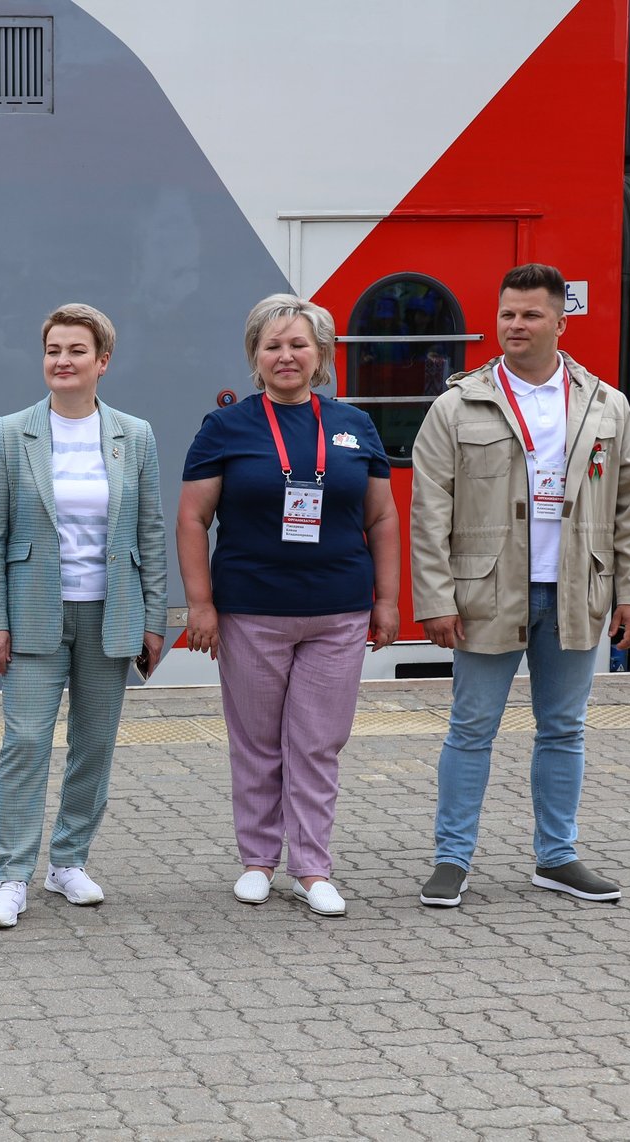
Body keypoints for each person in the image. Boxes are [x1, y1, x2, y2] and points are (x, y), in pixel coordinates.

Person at [410, 263, 630, 908]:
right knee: (471, 726)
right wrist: (435, 598)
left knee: (564, 729)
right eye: (507, 315)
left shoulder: (606, 404)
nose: (515, 326)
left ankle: (557, 857)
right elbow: (430, 507)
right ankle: (451, 860)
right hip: (487, 591)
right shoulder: (457, 404)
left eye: (530, 315)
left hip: (578, 588)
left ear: (559, 319)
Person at [176, 294, 399, 918]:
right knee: (256, 741)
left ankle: (312, 867)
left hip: (338, 611)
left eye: (299, 344)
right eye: (272, 345)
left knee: (318, 742)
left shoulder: (356, 425)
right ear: (255, 355)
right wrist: (201, 605)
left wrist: (387, 600)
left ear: (321, 354)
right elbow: (193, 520)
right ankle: (256, 861)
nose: (286, 355)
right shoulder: (225, 428)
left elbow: (381, 517)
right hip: (251, 610)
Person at [0, 304, 167, 928]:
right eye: (53, 349)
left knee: (94, 744)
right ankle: (11, 877)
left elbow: (152, 534)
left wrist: (154, 619)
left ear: (102, 362)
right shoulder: (12, 432)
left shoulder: (134, 435)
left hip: (111, 613)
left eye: (76, 350)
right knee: (26, 741)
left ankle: (68, 862)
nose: (62, 360)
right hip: (32, 614)